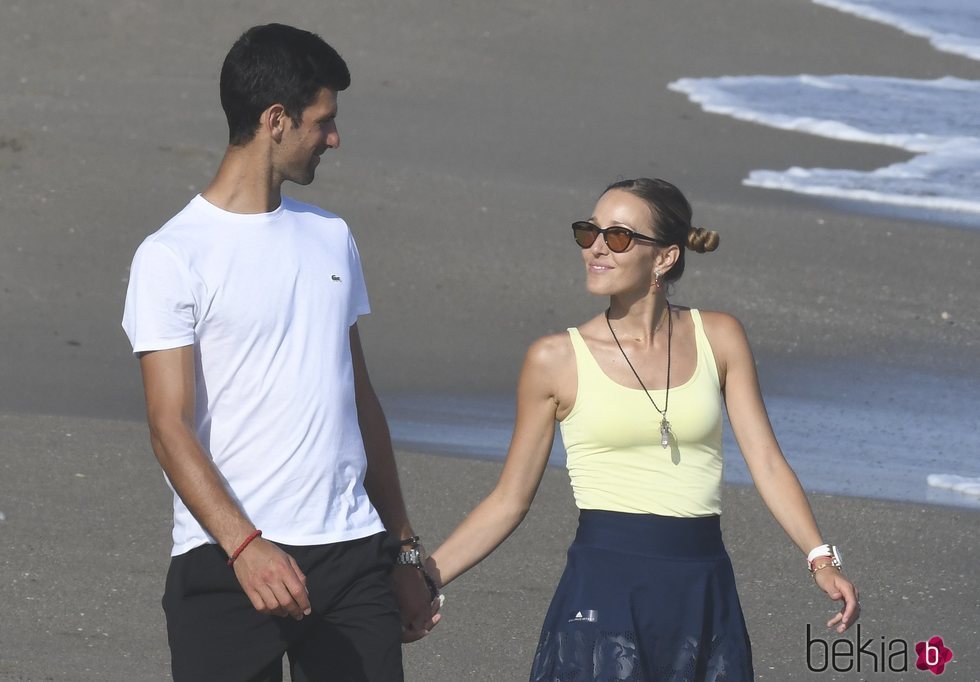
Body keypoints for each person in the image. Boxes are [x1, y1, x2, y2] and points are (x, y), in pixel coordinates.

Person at [427, 177, 860, 681]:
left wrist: (820, 558)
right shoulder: (555, 359)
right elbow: (509, 499)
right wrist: (425, 576)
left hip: (702, 588)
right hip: (602, 594)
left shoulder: (719, 337)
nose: (595, 248)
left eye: (618, 237)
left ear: (665, 258)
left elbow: (765, 460)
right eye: (589, 232)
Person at [121, 23, 438, 682]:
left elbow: (359, 400)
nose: (333, 138)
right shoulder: (173, 256)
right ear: (276, 120)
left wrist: (402, 550)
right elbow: (168, 425)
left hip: (351, 556)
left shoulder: (332, 238)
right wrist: (245, 546)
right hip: (225, 561)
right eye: (323, 121)